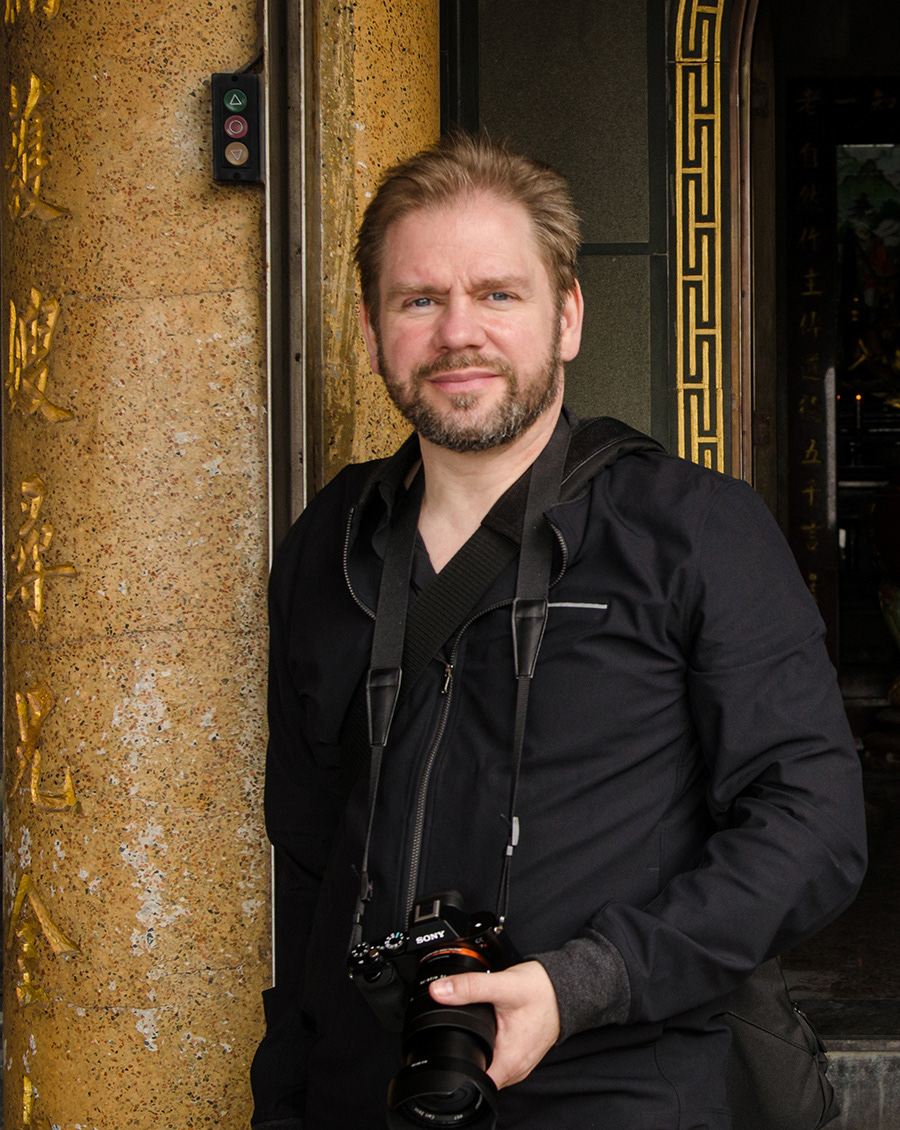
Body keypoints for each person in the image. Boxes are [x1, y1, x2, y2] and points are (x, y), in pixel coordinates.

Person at [250, 132, 867, 1129]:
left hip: (623, 1085)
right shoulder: (332, 541)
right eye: (419, 300)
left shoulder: (692, 528)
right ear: (370, 329)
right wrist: (284, 1096)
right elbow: (310, 859)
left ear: (567, 316)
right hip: (370, 1091)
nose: (459, 333)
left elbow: (814, 825)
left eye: (498, 294)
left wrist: (586, 980)